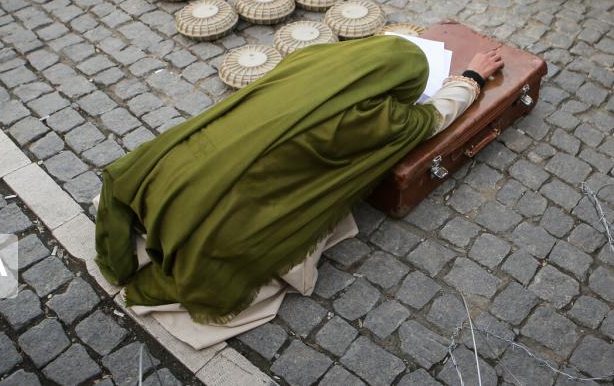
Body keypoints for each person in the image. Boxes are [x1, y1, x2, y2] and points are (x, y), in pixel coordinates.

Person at [93, 34, 503, 348]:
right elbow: (436, 115)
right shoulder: (378, 117)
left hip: (173, 169)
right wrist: (469, 78)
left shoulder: (311, 59)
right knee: (262, 239)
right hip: (225, 212)